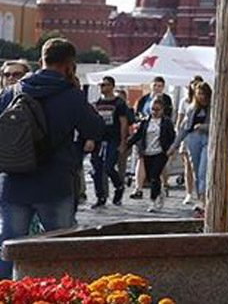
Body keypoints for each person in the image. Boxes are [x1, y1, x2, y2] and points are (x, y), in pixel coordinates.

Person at [0, 38, 104, 279]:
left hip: (15, 181)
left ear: (41, 61)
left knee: (9, 247)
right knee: (60, 248)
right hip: (54, 183)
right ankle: (56, 294)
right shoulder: (72, 96)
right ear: (70, 65)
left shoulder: (13, 92)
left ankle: (5, 293)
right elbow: (96, 130)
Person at [126, 96, 175, 212]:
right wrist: (127, 143)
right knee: (150, 177)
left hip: (160, 152)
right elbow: (137, 135)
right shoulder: (145, 121)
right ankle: (160, 192)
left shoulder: (166, 122)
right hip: (147, 152)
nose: (154, 112)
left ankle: (153, 201)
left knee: (154, 176)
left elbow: (172, 137)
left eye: (157, 109)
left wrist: (171, 149)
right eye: (152, 109)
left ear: (162, 109)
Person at [90, 76, 132, 208]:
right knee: (96, 168)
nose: (102, 87)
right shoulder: (97, 104)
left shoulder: (119, 103)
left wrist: (123, 142)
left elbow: (123, 123)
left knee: (109, 167)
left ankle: (119, 186)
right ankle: (100, 196)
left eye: (105, 85)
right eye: (101, 85)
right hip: (99, 139)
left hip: (113, 139)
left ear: (112, 86)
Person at [130, 76, 174, 201]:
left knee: (156, 173)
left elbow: (170, 121)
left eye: (159, 86)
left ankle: (161, 188)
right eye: (155, 85)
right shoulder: (144, 99)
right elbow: (137, 115)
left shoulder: (166, 100)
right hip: (145, 135)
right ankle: (138, 187)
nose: (157, 88)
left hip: (161, 141)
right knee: (142, 161)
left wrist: (172, 147)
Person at [180, 81, 212, 215]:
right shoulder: (191, 108)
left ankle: (205, 201)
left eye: (203, 93)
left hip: (207, 139)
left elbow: (217, 125)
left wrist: (203, 127)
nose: (201, 96)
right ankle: (200, 198)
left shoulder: (212, 107)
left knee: (202, 171)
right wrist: (178, 144)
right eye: (199, 93)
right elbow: (184, 127)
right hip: (193, 140)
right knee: (195, 170)